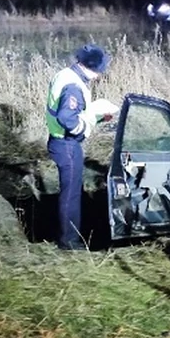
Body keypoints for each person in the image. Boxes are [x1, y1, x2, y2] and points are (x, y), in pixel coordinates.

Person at [45, 44, 112, 250]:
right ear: (92, 68)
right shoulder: (74, 85)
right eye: (100, 71)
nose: (100, 75)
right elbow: (67, 118)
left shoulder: (65, 74)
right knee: (71, 194)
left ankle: (69, 236)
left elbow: (70, 113)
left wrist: (98, 119)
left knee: (72, 191)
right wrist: (83, 130)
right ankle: (69, 242)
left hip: (59, 141)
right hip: (66, 145)